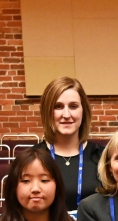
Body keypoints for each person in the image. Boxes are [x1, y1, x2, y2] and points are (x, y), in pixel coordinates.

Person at [35, 76, 104, 212]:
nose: (66, 114)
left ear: (83, 111)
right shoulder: (32, 158)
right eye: (58, 107)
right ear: (47, 111)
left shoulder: (103, 157)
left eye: (73, 106)